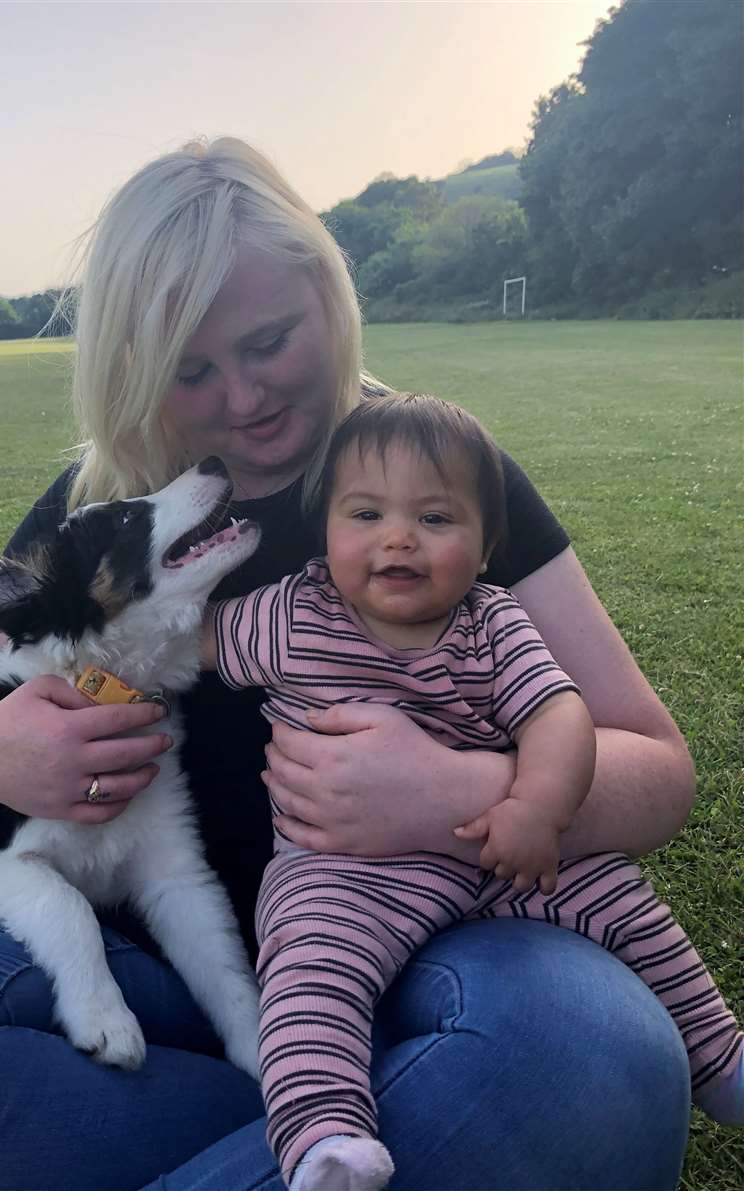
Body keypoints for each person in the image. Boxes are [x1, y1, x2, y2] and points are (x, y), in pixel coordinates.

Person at [0, 138, 699, 1190]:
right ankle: (327, 1121)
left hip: (453, 950)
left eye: (270, 341)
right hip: (166, 975)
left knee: (599, 1062)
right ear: (135, 368)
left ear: (327, 292)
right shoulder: (109, 497)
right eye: (191, 370)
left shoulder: (433, 475)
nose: (244, 398)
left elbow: (658, 772)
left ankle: (340, 1120)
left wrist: (465, 791)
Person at [203, 393, 743, 1190]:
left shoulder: (492, 622)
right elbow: (198, 637)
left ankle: (724, 1063)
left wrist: (534, 809)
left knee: (623, 902)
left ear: (488, 546)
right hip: (342, 872)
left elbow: (561, 714)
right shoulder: (290, 613)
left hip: (493, 848)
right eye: (366, 513)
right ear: (325, 531)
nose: (398, 538)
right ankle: (325, 1135)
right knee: (308, 967)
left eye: (435, 519)